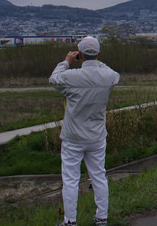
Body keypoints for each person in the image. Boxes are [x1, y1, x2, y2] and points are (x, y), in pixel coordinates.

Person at [50, 36, 120, 226]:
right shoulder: (107, 77)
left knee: (71, 180)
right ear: (98, 54)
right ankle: (101, 217)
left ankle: (70, 221)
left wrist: (66, 62)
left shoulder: (71, 78)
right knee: (99, 175)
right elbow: (115, 75)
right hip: (96, 136)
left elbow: (53, 79)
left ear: (79, 55)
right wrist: (97, 61)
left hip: (73, 136)